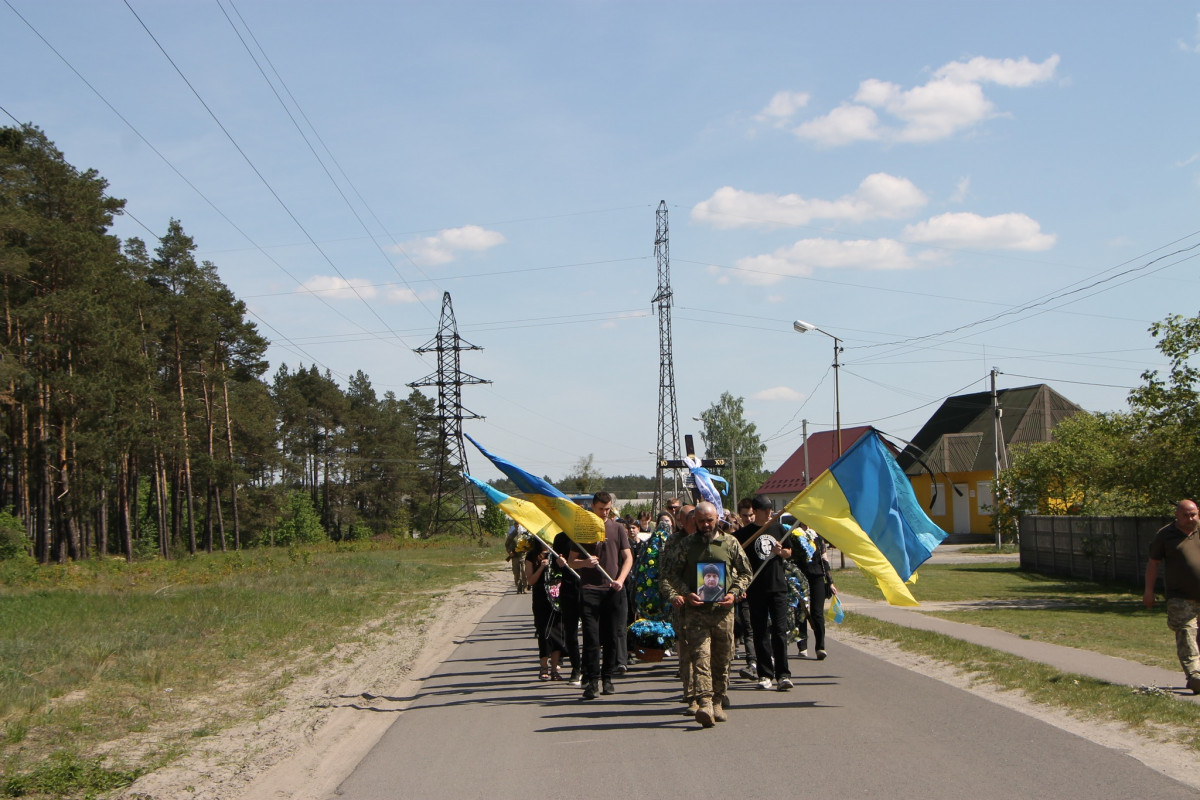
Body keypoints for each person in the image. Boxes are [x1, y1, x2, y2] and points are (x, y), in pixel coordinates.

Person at [662, 501, 751, 728]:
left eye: (709, 520)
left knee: (722, 660)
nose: (705, 525)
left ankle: (718, 701)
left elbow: (746, 573)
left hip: (723, 613)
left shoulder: (730, 543)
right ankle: (705, 703)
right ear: (695, 521)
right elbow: (670, 573)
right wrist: (686, 593)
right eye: (700, 521)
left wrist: (734, 593)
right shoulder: (686, 545)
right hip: (696, 613)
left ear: (716, 519)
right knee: (701, 658)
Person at [565, 491, 633, 700]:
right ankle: (592, 681)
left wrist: (621, 579)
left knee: (612, 636)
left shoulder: (618, 528)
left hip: (613, 590)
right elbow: (571, 561)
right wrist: (586, 563)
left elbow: (628, 557)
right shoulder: (583, 529)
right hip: (590, 589)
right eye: (601, 509)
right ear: (593, 506)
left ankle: (607, 678)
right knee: (591, 637)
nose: (605, 513)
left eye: (608, 509)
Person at [735, 496, 794, 691]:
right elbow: (736, 559)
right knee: (760, 631)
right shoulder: (744, 534)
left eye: (771, 509)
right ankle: (764, 674)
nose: (769, 513)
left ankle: (783, 674)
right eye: (765, 510)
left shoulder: (778, 529)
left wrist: (780, 552)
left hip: (778, 586)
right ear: (756, 510)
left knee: (779, 630)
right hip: (756, 588)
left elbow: (789, 552)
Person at [1144, 499, 1200, 694]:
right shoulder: (1165, 535)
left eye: (1193, 514)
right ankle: (1195, 675)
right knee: (1186, 631)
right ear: (1177, 515)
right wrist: (1148, 591)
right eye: (1185, 515)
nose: (1190, 518)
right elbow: (1153, 563)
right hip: (1179, 596)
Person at [792, 520, 835, 660]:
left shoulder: (817, 537)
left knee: (817, 613)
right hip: (800, 577)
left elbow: (824, 559)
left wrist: (830, 582)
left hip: (817, 577)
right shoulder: (793, 535)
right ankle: (802, 645)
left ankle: (820, 647)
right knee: (801, 612)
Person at [525, 542, 566, 681]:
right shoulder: (532, 556)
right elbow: (530, 581)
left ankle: (555, 669)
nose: (546, 543)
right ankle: (544, 666)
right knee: (544, 633)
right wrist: (541, 567)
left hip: (557, 599)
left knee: (557, 634)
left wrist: (561, 563)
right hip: (541, 599)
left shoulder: (557, 554)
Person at [504, 524, 528, 594]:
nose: (517, 526)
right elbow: (507, 544)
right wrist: (509, 552)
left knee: (524, 572)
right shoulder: (512, 535)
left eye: (518, 524)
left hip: (523, 556)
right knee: (516, 573)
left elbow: (529, 543)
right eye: (516, 525)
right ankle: (518, 587)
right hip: (515, 557)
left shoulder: (524, 534)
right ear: (514, 525)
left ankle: (525, 587)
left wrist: (527, 549)